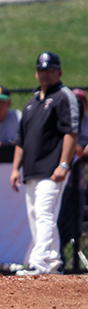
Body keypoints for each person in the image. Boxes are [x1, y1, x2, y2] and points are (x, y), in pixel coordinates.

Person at [9, 52, 80, 276]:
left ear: (59, 72)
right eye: (41, 69)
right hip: (31, 170)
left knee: (44, 213)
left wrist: (64, 164)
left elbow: (71, 131)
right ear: (36, 72)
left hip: (52, 169)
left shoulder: (63, 96)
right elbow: (21, 140)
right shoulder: (31, 103)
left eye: (50, 69)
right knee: (36, 216)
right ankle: (52, 262)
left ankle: (38, 263)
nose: (45, 73)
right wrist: (14, 169)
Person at [56, 88, 88, 265]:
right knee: (60, 224)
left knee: (76, 224)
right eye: (75, 102)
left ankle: (75, 262)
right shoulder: (63, 121)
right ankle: (60, 258)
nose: (78, 105)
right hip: (62, 184)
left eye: (81, 102)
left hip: (80, 184)